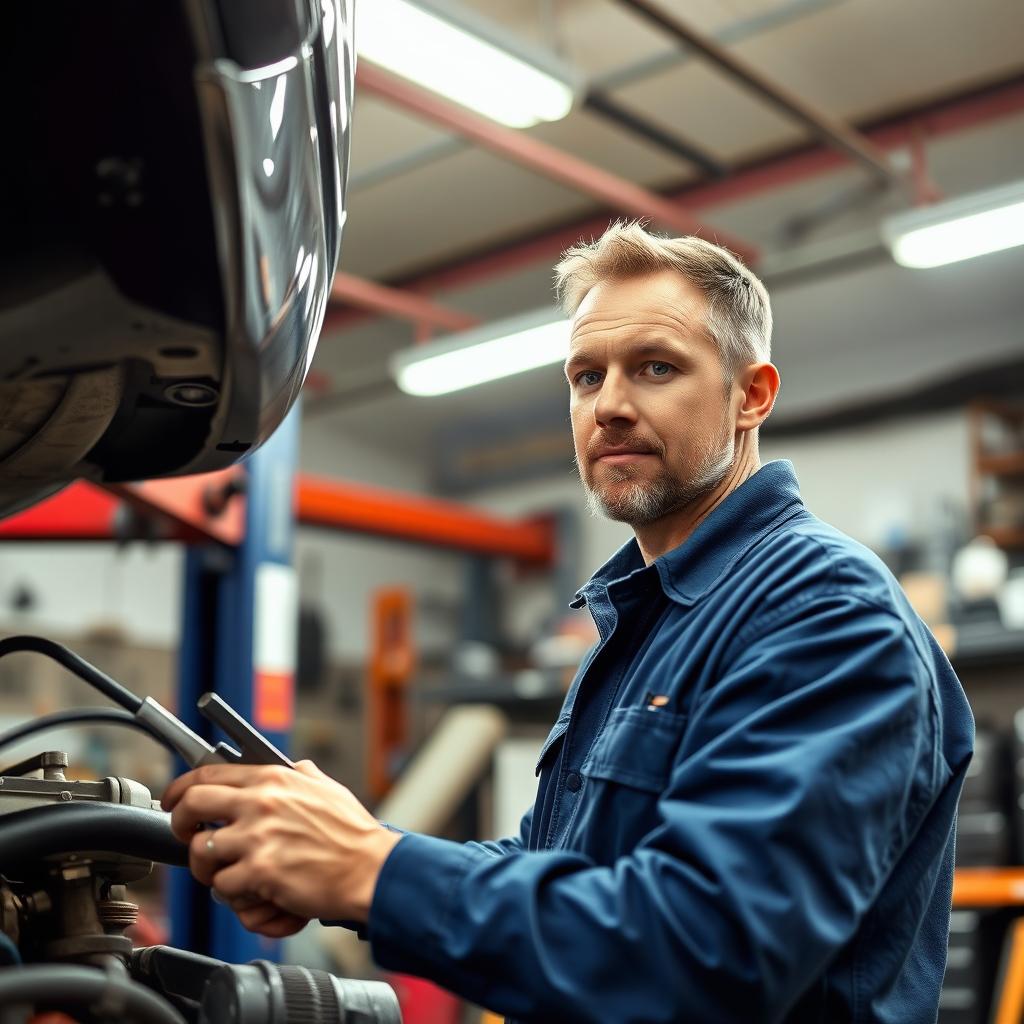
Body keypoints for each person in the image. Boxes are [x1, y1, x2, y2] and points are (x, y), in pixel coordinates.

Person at [163, 222, 974, 1023]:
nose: (610, 405)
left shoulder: (824, 612)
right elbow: (562, 870)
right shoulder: (643, 619)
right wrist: (344, 847)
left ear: (750, 397)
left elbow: (709, 953)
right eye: (586, 377)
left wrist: (374, 869)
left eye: (656, 368)